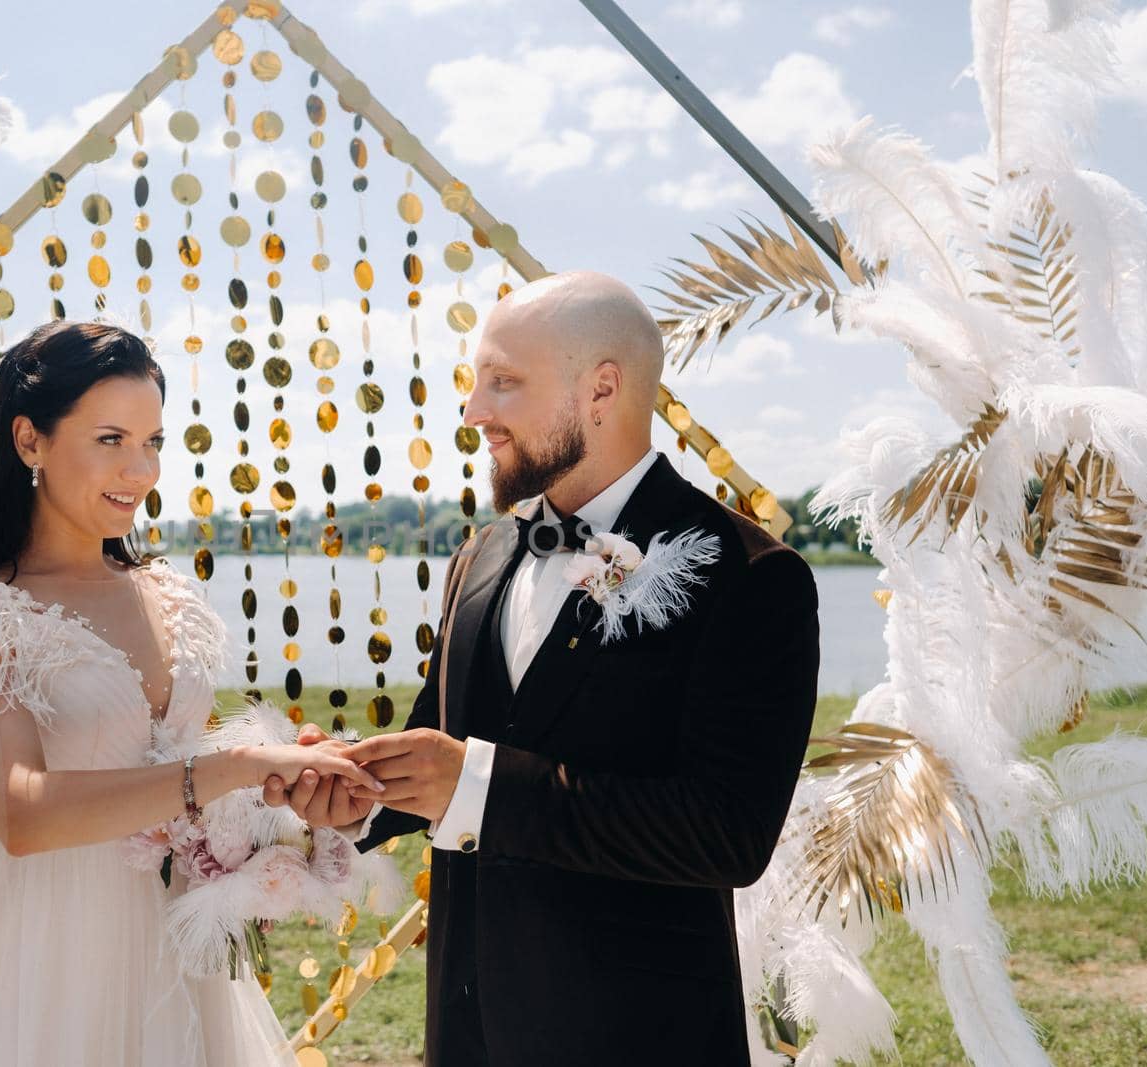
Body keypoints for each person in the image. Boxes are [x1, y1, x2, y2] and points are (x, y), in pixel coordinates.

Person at [265, 271, 821, 1066]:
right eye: (475, 383)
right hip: (470, 1030)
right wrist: (351, 789)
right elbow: (445, 737)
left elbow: (728, 832)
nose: (474, 411)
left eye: (504, 382)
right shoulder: (482, 552)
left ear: (600, 389)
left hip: (639, 1038)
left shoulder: (749, 575)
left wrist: (478, 786)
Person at [0, 320, 381, 1067]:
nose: (140, 469)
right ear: (29, 441)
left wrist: (282, 794)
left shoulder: (167, 591)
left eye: (153, 442)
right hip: (40, 957)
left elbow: (183, 776)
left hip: (174, 956)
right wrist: (237, 763)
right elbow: (18, 811)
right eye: (111, 439)